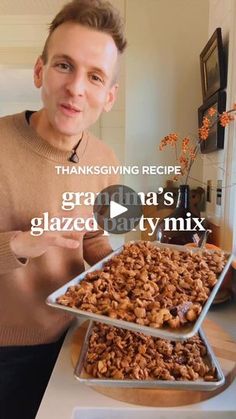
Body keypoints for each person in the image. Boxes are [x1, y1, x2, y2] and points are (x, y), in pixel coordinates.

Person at [0, 1, 126, 418]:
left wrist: (122, 266)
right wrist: (21, 243)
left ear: (108, 97)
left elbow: (94, 239)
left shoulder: (106, 159)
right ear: (40, 71)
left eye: (94, 76)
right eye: (64, 66)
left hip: (74, 340)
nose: (76, 88)